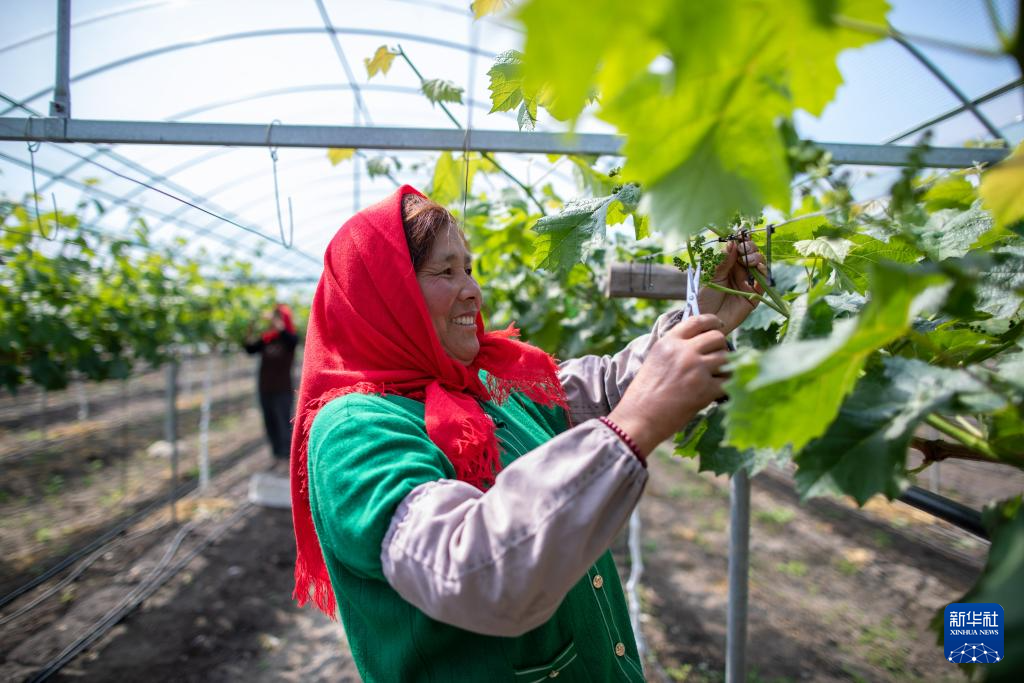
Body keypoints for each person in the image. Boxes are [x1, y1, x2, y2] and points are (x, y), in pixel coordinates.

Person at [289, 186, 765, 681]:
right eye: (445, 272)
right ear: (386, 293)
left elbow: (597, 387)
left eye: (469, 269)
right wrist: (637, 425)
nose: (473, 290)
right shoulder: (353, 431)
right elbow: (470, 570)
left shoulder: (481, 384)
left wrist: (703, 314)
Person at [244, 303, 299, 461]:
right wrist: (250, 327)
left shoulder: (290, 339)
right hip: (265, 388)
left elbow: (291, 339)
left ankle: (288, 457)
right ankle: (276, 454)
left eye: (277, 318)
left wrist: (279, 324)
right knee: (270, 423)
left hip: (282, 389)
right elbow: (250, 349)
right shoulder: (267, 340)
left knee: (283, 422)